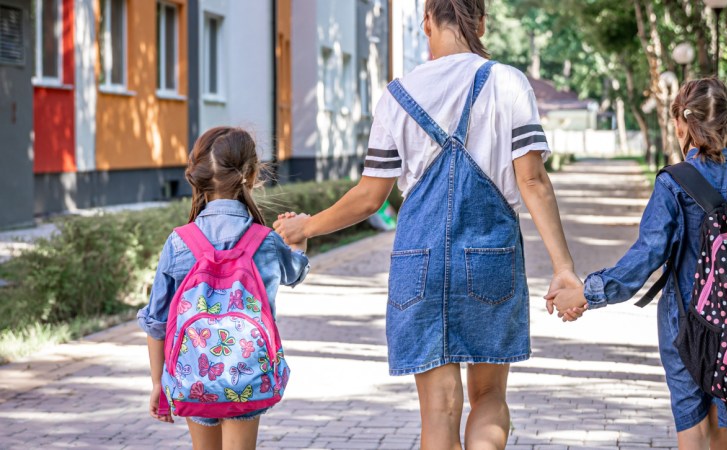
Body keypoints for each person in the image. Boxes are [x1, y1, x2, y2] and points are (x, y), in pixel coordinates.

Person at [273, 1, 579, 447]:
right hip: (490, 255)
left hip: (418, 262)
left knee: (438, 411)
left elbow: (369, 197)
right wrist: (563, 266)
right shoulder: (508, 82)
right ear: (482, 22)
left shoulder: (397, 94)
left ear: (428, 23)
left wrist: (305, 228)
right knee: (490, 396)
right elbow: (532, 180)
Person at [547, 78, 727, 450]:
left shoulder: (675, 183)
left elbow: (646, 257)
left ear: (682, 123)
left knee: (693, 420)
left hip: (689, 321)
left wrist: (587, 292)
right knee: (723, 421)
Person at [137, 127, 310, 450]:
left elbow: (156, 321)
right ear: (252, 174)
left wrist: (158, 382)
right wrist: (299, 243)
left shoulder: (180, 242)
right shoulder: (265, 242)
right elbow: (295, 274)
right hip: (247, 374)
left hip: (192, 374)